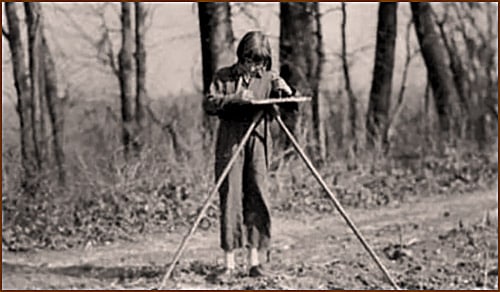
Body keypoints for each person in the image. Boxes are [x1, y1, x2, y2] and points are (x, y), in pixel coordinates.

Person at [203, 31, 295, 280]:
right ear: (241, 57)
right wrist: (235, 99)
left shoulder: (267, 78)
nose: (255, 67)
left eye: (261, 62)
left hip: (259, 139)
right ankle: (229, 263)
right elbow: (210, 104)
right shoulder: (223, 76)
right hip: (231, 141)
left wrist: (285, 91)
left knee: (257, 195)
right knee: (230, 197)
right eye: (251, 61)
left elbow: (290, 106)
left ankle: (256, 261)